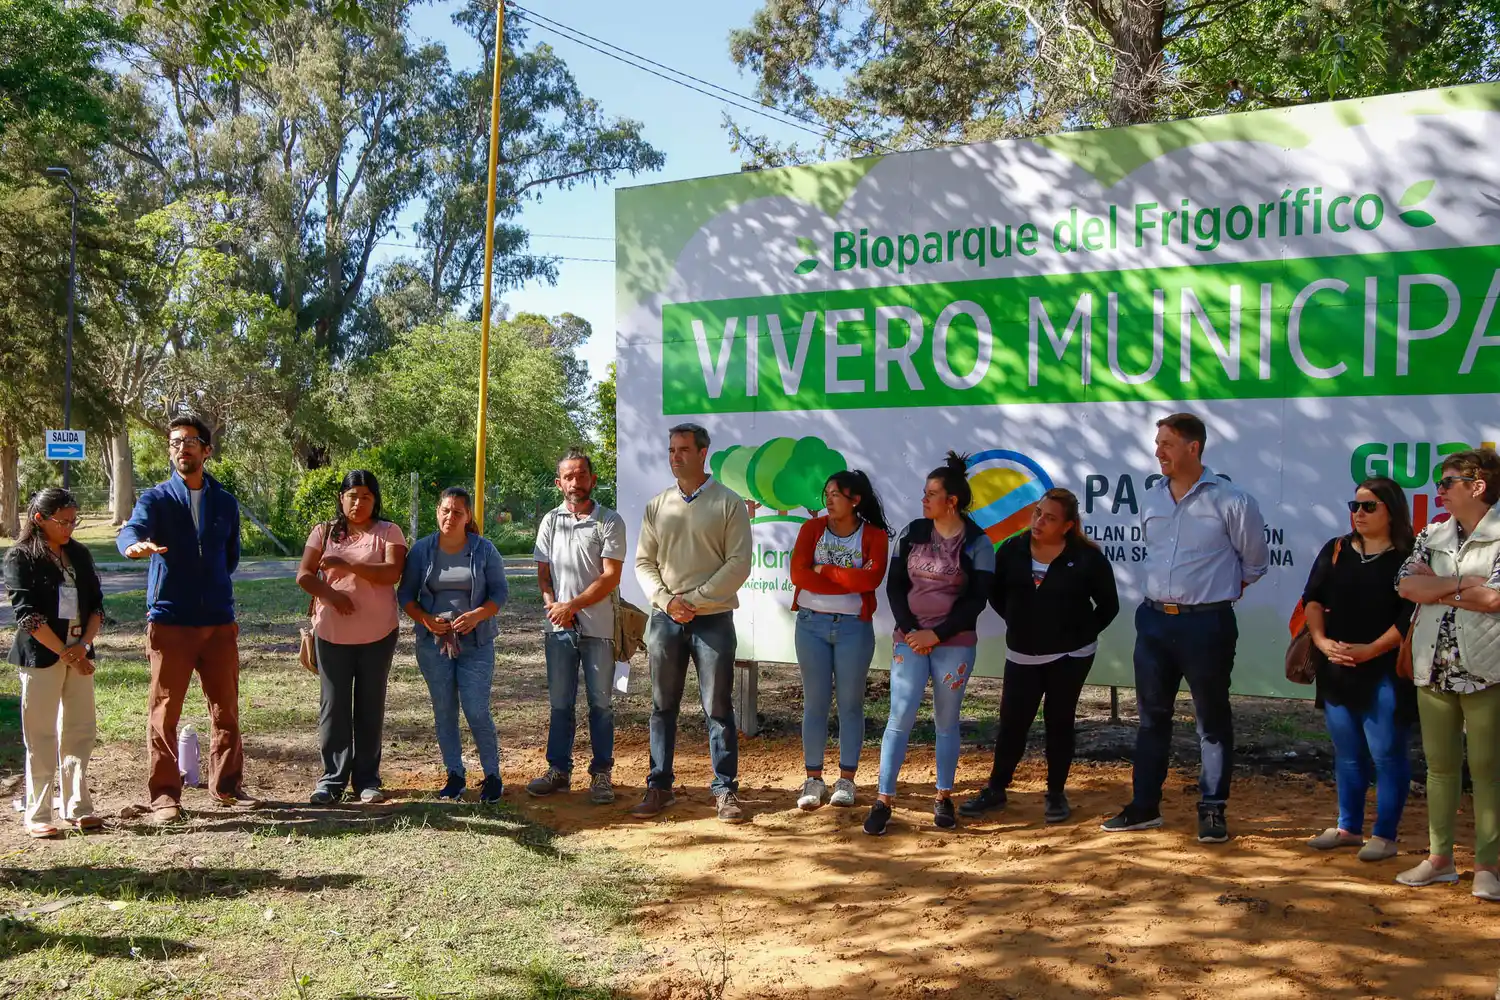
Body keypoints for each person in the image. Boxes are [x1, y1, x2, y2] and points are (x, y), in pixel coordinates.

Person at [1102, 412, 1269, 844]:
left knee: (1211, 720)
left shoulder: (1233, 501)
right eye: (1157, 444)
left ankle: (1212, 808)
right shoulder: (1152, 498)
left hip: (1206, 625)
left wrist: (1215, 594)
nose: (1159, 452)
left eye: (1167, 444)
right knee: (1151, 718)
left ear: (1193, 448)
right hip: (1154, 622)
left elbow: (1254, 564)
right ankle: (1144, 807)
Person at [118, 415, 256, 822]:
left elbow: (229, 557)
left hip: (217, 622)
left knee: (225, 709)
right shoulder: (156, 499)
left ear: (207, 450)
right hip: (170, 621)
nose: (183, 448)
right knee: (164, 710)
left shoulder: (225, 502)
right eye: (176, 442)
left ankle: (227, 787)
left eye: (191, 441)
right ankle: (164, 797)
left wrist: (211, 590)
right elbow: (132, 530)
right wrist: (132, 546)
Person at [961, 488, 1119, 824]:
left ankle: (1056, 793)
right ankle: (996, 789)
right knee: (1013, 723)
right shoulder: (1012, 550)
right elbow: (995, 593)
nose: (1039, 521)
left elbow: (1109, 605)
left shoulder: (1087, 558)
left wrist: (1079, 634)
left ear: (1067, 526)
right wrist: (1020, 622)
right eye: (1037, 513)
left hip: (1071, 655)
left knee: (1059, 721)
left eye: (1049, 517)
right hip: (1022, 653)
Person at [864, 452, 996, 836]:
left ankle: (943, 797)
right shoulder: (912, 532)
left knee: (946, 721)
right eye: (924, 493)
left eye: (931, 493)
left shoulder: (978, 543)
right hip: (909, 639)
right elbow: (895, 585)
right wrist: (909, 630)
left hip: (954, 643)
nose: (924, 500)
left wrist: (936, 635)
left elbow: (977, 599)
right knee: (899, 716)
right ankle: (883, 800)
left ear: (951, 501)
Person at [632, 423, 753, 822]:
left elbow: (738, 564)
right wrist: (668, 602)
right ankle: (659, 786)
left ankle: (724, 790)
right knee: (662, 705)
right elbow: (644, 563)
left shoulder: (729, 503)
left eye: (683, 449)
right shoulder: (657, 505)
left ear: (704, 453)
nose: (675, 456)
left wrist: (695, 602)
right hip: (666, 619)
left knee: (717, 706)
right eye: (671, 450)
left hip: (713, 619)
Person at [1395, 447, 1500, 901]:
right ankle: (1440, 859)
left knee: (1487, 770)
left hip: (1487, 668)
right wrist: (1463, 586)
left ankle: (1488, 866)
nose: (1438, 490)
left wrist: (1436, 591)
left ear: (1477, 486)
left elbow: (1496, 600)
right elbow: (1405, 585)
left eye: (1447, 483)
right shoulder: (1432, 533)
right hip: (1432, 666)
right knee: (1439, 768)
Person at [1302, 477, 1416, 862]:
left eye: (1369, 507)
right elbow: (1312, 600)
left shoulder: (1410, 556)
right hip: (1337, 667)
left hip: (1385, 668)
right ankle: (1349, 827)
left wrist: (1372, 649)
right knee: (1348, 753)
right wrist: (1320, 642)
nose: (1359, 514)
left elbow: (1410, 616)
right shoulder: (1336, 549)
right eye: (1355, 506)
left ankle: (1385, 835)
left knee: (1386, 754)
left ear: (1392, 510)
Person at [296, 470, 407, 805]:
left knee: (369, 706)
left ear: (376, 500)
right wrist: (330, 595)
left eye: (366, 496)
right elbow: (304, 575)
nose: (358, 502)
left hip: (378, 633)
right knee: (334, 707)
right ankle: (331, 780)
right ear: (341, 498)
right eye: (352, 495)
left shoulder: (389, 531)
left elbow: (392, 573)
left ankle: (367, 780)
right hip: (331, 633)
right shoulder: (324, 531)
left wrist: (348, 563)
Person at [528, 448, 626, 805]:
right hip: (558, 629)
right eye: (568, 476)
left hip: (598, 627)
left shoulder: (609, 521)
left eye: (581, 475)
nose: (575, 482)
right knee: (560, 704)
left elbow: (610, 577)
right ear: (559, 483)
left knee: (601, 704)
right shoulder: (550, 522)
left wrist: (572, 606)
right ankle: (559, 771)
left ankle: (601, 775)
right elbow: (542, 574)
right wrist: (554, 607)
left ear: (593, 480)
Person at [788, 470, 891, 810]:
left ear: (855, 500)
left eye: (836, 493)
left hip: (853, 628)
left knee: (850, 704)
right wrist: (847, 579)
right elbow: (799, 575)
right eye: (827, 493)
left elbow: (870, 580)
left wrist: (826, 571)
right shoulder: (811, 530)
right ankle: (813, 779)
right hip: (810, 624)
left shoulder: (874, 536)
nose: (829, 499)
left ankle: (846, 779)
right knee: (815, 703)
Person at [5, 489, 104, 838]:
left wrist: (83, 645)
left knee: (80, 731)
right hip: (42, 657)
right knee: (41, 735)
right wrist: (66, 652)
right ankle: (39, 812)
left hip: (79, 652)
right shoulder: (20, 557)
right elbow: (27, 615)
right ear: (39, 519)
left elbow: (97, 605)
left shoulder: (79, 553)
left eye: (74, 520)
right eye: (63, 521)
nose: (70, 528)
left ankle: (77, 806)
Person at [399, 487, 508, 803]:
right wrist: (425, 620)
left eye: (457, 512)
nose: (450, 517)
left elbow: (499, 594)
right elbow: (405, 595)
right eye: (445, 510)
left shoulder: (485, 550)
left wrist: (477, 615)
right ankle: (455, 775)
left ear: (468, 516)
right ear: (437, 512)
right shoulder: (421, 551)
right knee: (444, 709)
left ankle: (492, 776)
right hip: (434, 644)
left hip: (477, 641)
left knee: (476, 709)